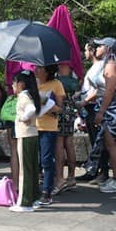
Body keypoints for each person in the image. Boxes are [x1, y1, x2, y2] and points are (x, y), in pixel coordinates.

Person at [89, 37, 116, 193]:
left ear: (108, 48)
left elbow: (110, 91)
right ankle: (115, 178)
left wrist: (101, 112)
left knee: (113, 146)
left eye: (100, 46)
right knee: (109, 145)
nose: (96, 48)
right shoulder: (107, 64)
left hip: (111, 111)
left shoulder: (111, 66)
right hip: (108, 109)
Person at [75, 40, 108, 182]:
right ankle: (95, 169)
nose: (85, 53)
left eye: (87, 50)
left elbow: (99, 88)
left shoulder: (101, 66)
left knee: (99, 141)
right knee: (94, 140)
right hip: (89, 107)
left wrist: (85, 100)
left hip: (94, 106)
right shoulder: (94, 66)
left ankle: (102, 172)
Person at [10, 70, 41, 212]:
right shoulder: (31, 94)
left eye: (14, 83)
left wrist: (22, 117)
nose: (12, 85)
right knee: (32, 168)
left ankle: (25, 202)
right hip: (33, 134)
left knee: (25, 169)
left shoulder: (23, 96)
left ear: (20, 84)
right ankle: (34, 197)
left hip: (25, 135)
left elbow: (31, 109)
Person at [35, 64, 64, 204]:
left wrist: (47, 105)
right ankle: (35, 189)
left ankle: (47, 191)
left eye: (40, 68)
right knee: (36, 160)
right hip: (33, 127)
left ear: (47, 71)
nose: (36, 70)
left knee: (47, 160)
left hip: (48, 127)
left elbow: (59, 108)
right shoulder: (33, 83)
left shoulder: (56, 84)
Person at [54, 63, 80, 194]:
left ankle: (59, 177)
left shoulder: (58, 81)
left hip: (60, 109)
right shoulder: (74, 81)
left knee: (59, 143)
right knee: (69, 143)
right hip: (70, 110)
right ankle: (71, 176)